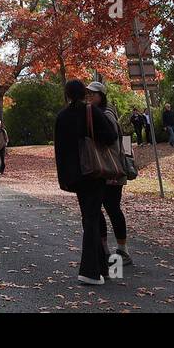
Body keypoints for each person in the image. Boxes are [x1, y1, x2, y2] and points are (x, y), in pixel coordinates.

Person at [53, 78, 118, 285]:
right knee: (91, 217)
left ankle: (102, 266)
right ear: (84, 94)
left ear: (67, 95)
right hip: (94, 171)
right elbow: (111, 135)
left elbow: (59, 150)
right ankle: (90, 271)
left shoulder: (61, 117)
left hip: (75, 175)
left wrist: (64, 178)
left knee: (89, 216)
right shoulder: (91, 111)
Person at [87, 81, 132, 267]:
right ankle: (105, 249)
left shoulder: (107, 115)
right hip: (101, 170)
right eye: (88, 94)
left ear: (102, 96)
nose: (90, 96)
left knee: (112, 209)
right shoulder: (95, 114)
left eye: (93, 94)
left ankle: (123, 250)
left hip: (112, 170)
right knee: (98, 209)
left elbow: (111, 139)